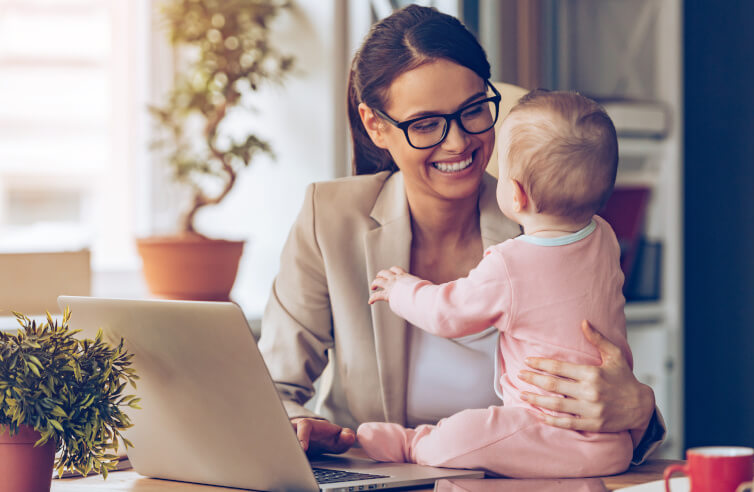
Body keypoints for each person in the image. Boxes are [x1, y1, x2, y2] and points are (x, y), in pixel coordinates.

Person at [257, 4, 664, 465]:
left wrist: (639, 407)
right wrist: (298, 427)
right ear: (376, 126)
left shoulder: (549, 222)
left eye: (473, 111)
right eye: (426, 124)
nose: (457, 142)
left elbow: (605, 372)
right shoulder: (328, 217)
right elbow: (272, 388)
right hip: (375, 476)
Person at [356, 90, 633, 478]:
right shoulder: (604, 238)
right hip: (612, 444)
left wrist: (400, 289)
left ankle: (413, 444)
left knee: (470, 430)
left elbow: (447, 313)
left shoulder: (510, 263)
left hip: (543, 428)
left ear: (515, 194)